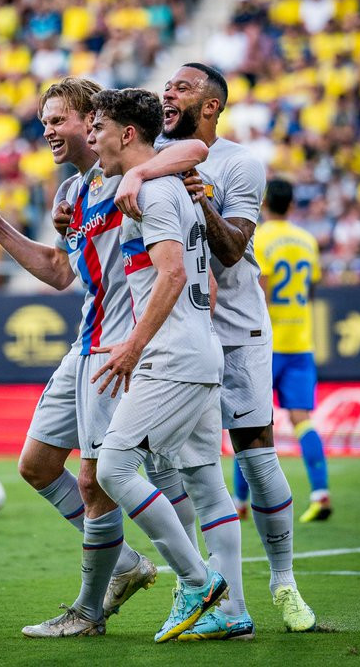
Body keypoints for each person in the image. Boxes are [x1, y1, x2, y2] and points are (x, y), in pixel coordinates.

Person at [0, 77, 210, 636]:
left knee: (98, 480)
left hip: (120, 349)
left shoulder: (137, 174)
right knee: (35, 465)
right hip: (85, 343)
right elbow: (60, 272)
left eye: (59, 120)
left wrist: (143, 170)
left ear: (92, 121)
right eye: (44, 121)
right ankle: (124, 564)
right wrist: (0, 228)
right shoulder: (74, 194)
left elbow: (192, 146)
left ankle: (92, 608)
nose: (47, 131)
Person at [23, 87, 234, 644]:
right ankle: (210, 597)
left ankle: (188, 586)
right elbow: (65, 268)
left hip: (141, 348)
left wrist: (138, 344)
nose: (81, 133)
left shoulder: (144, 183)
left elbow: (190, 158)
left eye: (76, 122)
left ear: (114, 129)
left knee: (115, 475)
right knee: (66, 468)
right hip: (110, 344)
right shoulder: (81, 188)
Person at [115, 63, 316, 634]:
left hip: (238, 329)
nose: (168, 93)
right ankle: (213, 591)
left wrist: (203, 203)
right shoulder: (155, 161)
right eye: (167, 87)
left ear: (211, 105)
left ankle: (284, 582)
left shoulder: (238, 163)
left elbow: (232, 252)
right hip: (183, 333)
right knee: (177, 463)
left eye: (181, 87)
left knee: (256, 454)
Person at [233, 178, 331, 524]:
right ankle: (320, 493)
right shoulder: (307, 241)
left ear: (264, 203)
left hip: (265, 343)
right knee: (303, 419)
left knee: (248, 420)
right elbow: (313, 289)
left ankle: (240, 502)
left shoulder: (261, 238)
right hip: (301, 344)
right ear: (291, 205)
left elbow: (261, 292)